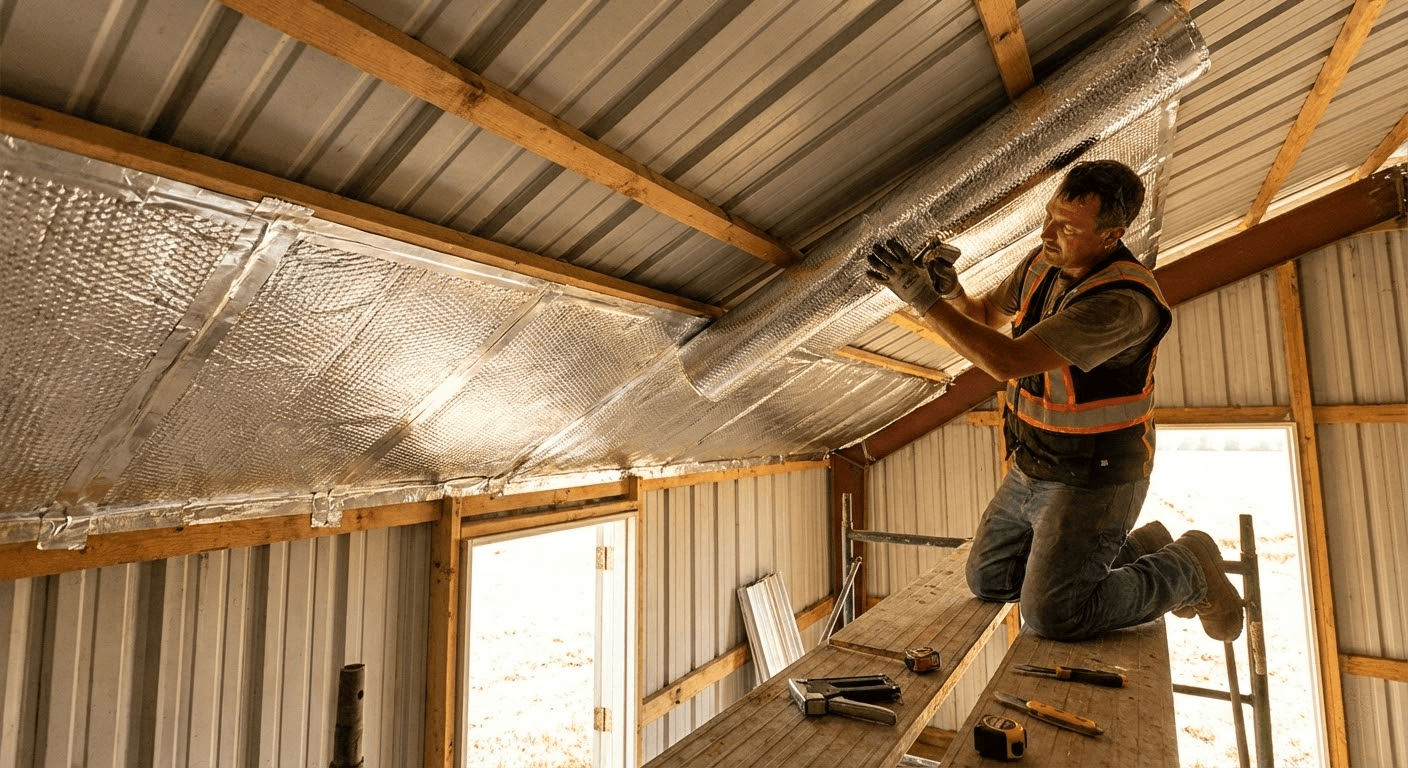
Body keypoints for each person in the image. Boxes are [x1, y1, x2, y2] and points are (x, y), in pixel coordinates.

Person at [865, 160, 1243, 642]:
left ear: (1110, 236)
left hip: (1095, 477)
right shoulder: (1044, 262)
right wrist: (951, 292)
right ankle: (1142, 546)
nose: (1047, 233)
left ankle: (1187, 569)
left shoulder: (1122, 302)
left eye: (1067, 227)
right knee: (991, 581)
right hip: (1034, 461)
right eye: (1049, 215)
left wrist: (922, 299)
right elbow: (986, 315)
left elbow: (1006, 360)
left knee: (1052, 615)